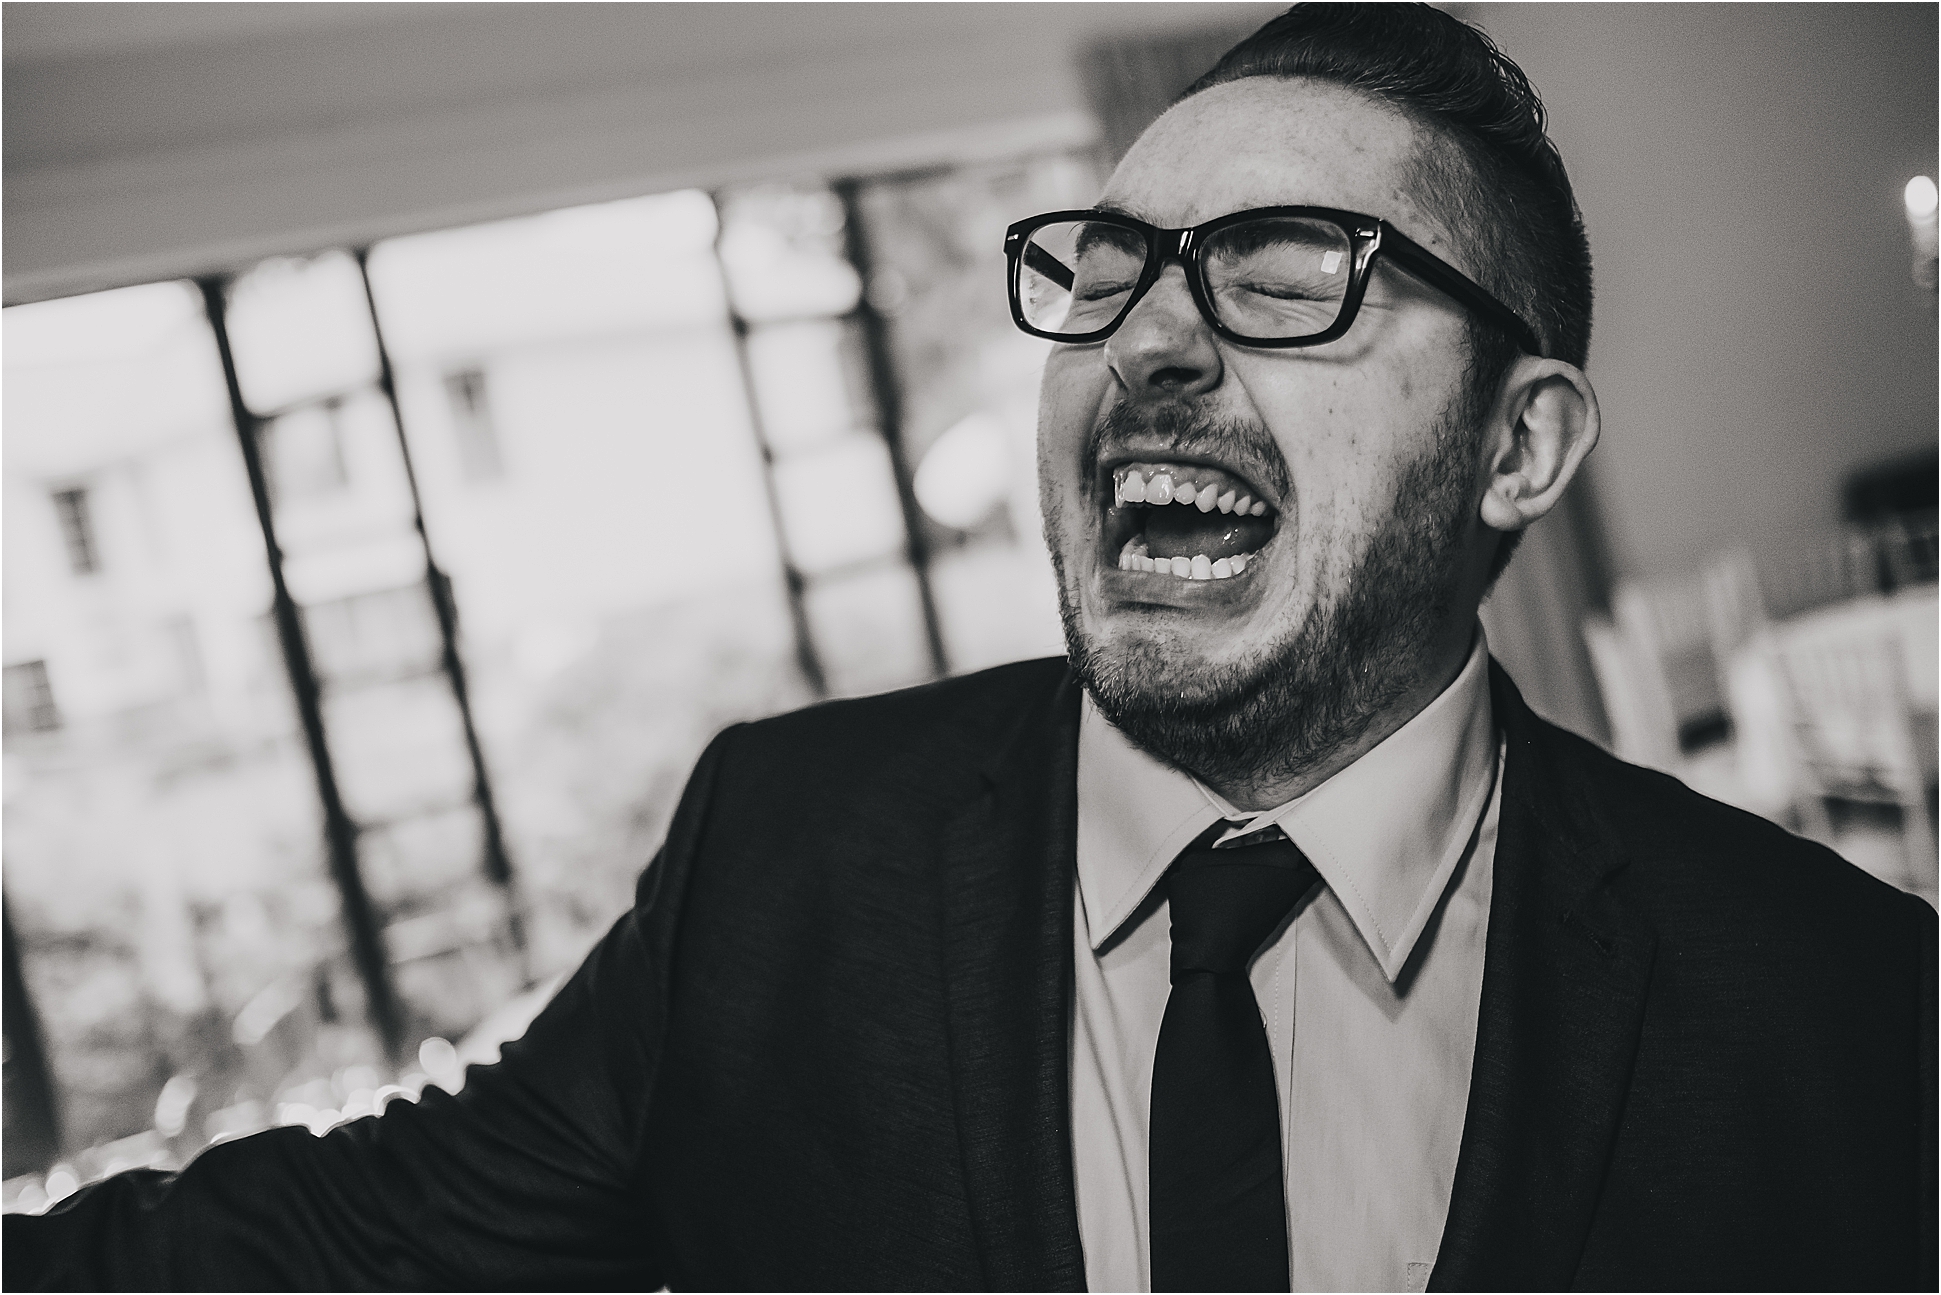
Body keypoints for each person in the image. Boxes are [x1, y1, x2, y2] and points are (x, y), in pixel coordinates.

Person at [9, 4, 1934, 1290]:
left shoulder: (1846, 1011)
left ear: (1519, 445)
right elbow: (372, 1231)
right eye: (1105, 273)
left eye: (1285, 278)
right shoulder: (787, 845)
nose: (1146, 344)